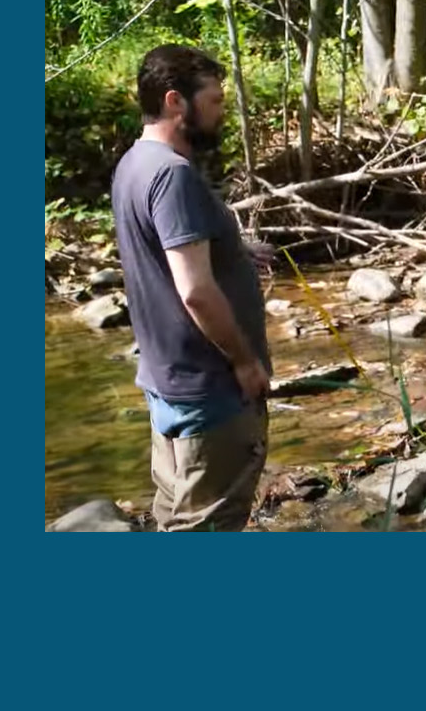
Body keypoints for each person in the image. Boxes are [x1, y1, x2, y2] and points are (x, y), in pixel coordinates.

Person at [111, 44, 272, 532]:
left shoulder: (134, 164)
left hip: (169, 382)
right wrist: (245, 362)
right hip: (209, 389)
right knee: (206, 525)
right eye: (216, 101)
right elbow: (195, 290)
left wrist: (234, 254)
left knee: (174, 515)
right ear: (176, 101)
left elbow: (166, 257)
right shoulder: (172, 175)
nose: (222, 113)